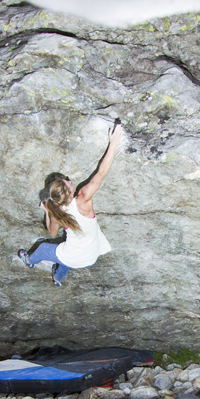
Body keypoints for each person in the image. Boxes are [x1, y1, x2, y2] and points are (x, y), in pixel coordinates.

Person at [16, 120, 123, 286]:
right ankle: (47, 271)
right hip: (90, 257)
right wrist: (114, 142)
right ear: (71, 191)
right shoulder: (83, 200)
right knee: (62, 251)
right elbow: (101, 172)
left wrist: (47, 212)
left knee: (53, 249)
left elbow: (52, 234)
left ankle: (41, 266)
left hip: (74, 257)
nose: (70, 180)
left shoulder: (56, 210)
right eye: (68, 181)